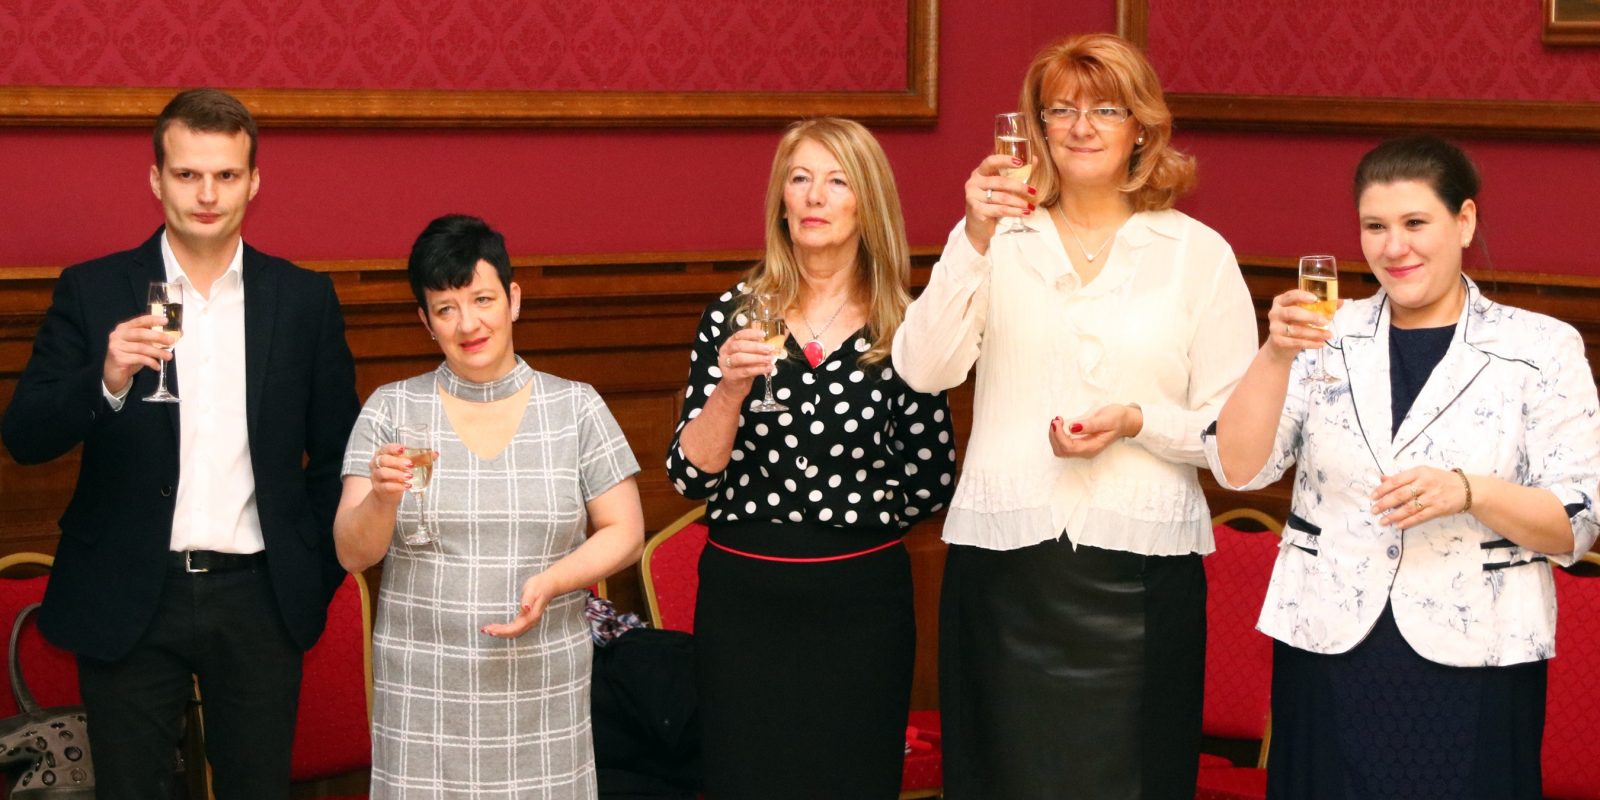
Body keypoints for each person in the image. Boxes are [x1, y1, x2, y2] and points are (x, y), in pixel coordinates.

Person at [893, 33, 1258, 799]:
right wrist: (973, 235)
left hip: (1142, 579)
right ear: (1037, 129)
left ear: (1142, 129)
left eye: (1106, 110)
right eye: (1060, 110)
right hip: (1004, 575)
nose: (1081, 127)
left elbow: (1238, 441)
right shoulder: (996, 241)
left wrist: (1138, 421)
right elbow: (923, 369)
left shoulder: (1199, 255)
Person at [1205, 136, 1600, 799]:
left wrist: (1470, 491)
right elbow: (1237, 469)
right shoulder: (1324, 334)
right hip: (1326, 646)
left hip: (1478, 656)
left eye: (1415, 222)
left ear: (1464, 221)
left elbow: (1576, 524)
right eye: (1375, 227)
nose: (1394, 247)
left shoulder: (1541, 348)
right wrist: (1274, 354)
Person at [0, 88, 360, 798]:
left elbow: (338, 458)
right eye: (188, 174)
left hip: (259, 597)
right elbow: (25, 436)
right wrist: (105, 378)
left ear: (254, 182)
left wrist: (308, 574)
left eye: (226, 175)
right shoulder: (93, 290)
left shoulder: (302, 300)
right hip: (129, 594)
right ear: (156, 179)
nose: (207, 194)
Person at [665, 117, 956, 800]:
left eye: (836, 181)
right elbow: (688, 476)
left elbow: (932, 480)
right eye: (800, 179)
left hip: (861, 605)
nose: (815, 196)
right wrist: (730, 390)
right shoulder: (733, 315)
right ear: (782, 200)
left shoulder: (907, 326)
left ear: (867, 202)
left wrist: (846, 522)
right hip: (745, 602)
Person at [334, 214, 645, 799]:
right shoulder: (390, 409)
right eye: (446, 308)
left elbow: (625, 530)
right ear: (425, 322)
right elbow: (353, 553)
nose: (468, 323)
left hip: (544, 691)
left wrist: (554, 581)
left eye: (482, 299)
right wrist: (381, 497)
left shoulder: (575, 407)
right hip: (424, 696)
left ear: (513, 299)